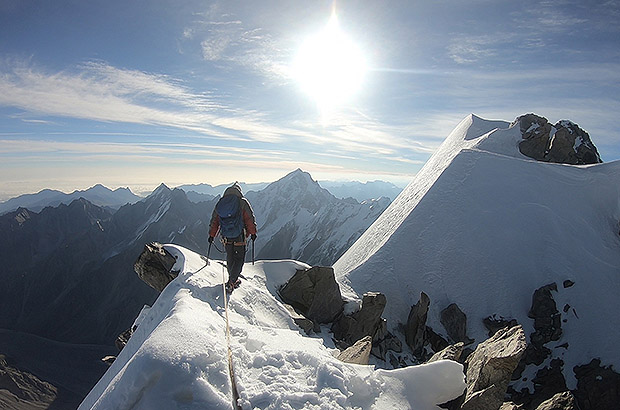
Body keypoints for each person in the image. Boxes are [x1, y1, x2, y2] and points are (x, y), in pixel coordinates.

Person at [208, 182, 257, 292]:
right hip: (240, 237)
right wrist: (253, 233)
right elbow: (249, 219)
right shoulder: (242, 202)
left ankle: (231, 279)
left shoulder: (221, 203)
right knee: (239, 259)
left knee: (230, 257)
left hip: (226, 238)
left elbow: (214, 221)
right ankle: (232, 281)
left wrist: (212, 235)